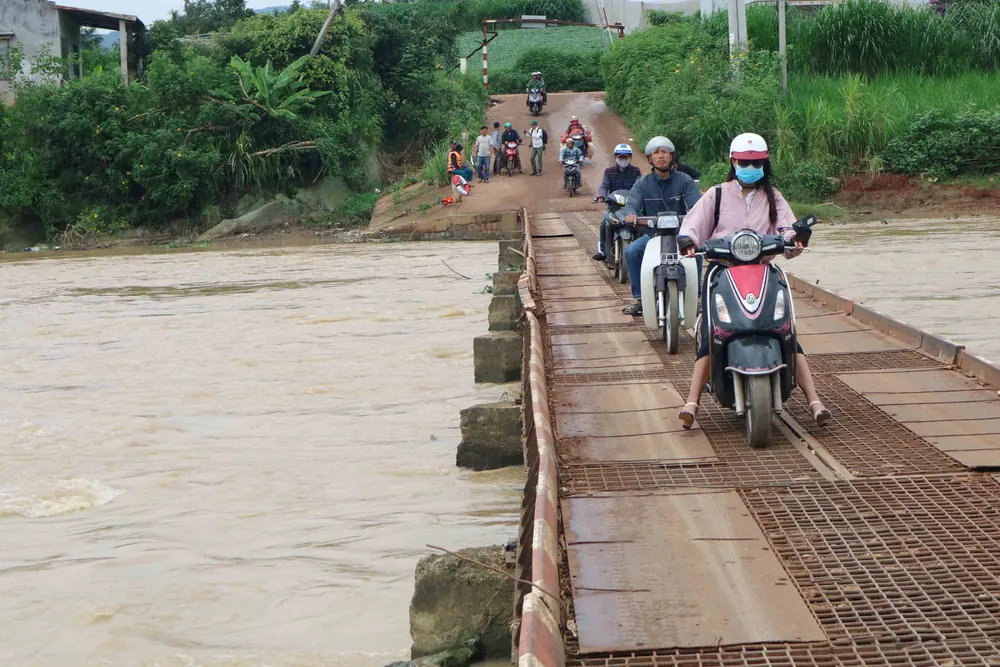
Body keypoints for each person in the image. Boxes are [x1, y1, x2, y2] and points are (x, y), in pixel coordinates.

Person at [675, 132, 831, 429]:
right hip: (721, 273)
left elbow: (787, 232)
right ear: (732, 161)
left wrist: (795, 239)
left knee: (786, 329)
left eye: (756, 162)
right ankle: (692, 401)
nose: (750, 167)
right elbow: (692, 226)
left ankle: (814, 400)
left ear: (765, 162)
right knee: (712, 332)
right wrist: (688, 241)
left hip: (763, 272)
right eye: (745, 162)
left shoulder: (775, 197)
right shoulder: (716, 195)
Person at [620, 136, 701, 316]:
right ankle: (639, 299)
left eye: (665, 152)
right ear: (650, 158)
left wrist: (694, 216)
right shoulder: (642, 183)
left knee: (695, 250)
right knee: (632, 251)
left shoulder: (685, 181)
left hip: (680, 235)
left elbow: (696, 205)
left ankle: (696, 298)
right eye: (656, 153)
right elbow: (632, 203)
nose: (661, 156)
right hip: (653, 236)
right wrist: (631, 214)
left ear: (671, 156)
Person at [592, 143, 642, 265]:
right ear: (615, 157)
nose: (623, 159)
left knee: (642, 225)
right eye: (620, 157)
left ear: (630, 157)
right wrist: (601, 195)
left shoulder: (636, 171)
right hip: (614, 206)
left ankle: (642, 251)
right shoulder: (609, 171)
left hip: (632, 206)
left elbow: (639, 185)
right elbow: (604, 185)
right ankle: (603, 252)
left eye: (625, 157)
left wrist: (643, 195)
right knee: (604, 223)